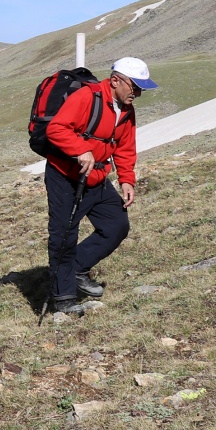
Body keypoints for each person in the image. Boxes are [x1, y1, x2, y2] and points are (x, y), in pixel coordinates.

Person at [43, 58, 156, 317]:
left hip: (97, 176)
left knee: (116, 225)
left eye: (141, 89)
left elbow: (126, 146)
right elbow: (56, 129)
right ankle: (64, 297)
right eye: (135, 87)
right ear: (115, 80)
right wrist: (80, 149)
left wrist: (126, 179)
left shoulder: (127, 109)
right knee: (64, 235)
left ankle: (77, 268)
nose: (137, 94)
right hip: (65, 176)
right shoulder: (86, 97)